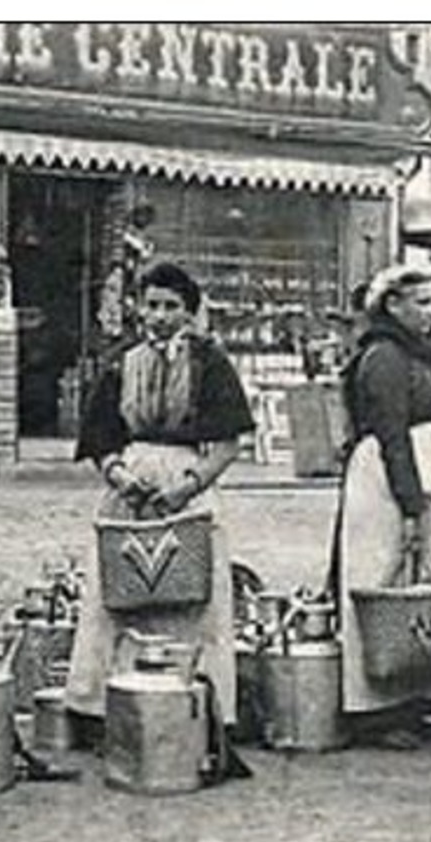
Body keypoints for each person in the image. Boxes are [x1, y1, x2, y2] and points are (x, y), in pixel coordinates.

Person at [65, 262, 256, 733]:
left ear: (189, 313)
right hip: (130, 489)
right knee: (118, 595)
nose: (160, 315)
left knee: (193, 599)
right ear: (138, 307)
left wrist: (187, 487)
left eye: (172, 306)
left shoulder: (209, 362)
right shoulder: (120, 360)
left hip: (187, 488)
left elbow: (230, 444)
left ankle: (199, 710)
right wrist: (118, 475)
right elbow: (100, 437)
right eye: (151, 304)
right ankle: (101, 708)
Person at [333, 265, 431, 748]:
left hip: (411, 472)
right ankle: (376, 708)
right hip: (388, 483)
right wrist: (411, 506)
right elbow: (391, 433)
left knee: (417, 586)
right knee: (385, 580)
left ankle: (413, 696)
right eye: (423, 302)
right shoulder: (385, 356)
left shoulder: (409, 354)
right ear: (393, 305)